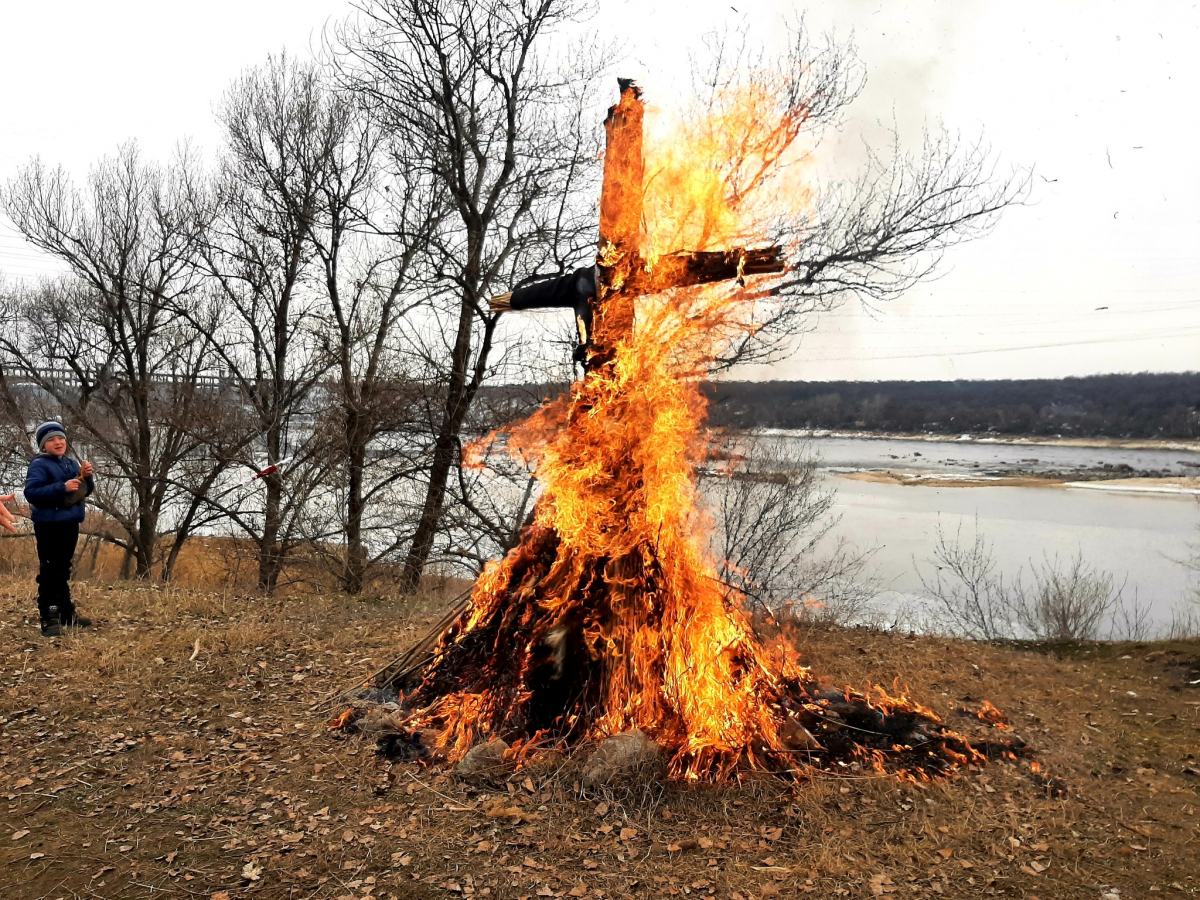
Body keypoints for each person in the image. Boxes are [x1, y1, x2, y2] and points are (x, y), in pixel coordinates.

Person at [24, 421, 95, 637]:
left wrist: (86, 476)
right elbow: (32, 493)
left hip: (70, 523)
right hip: (48, 525)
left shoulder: (70, 463)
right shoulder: (39, 464)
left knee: (63, 569)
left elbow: (84, 491)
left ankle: (65, 614)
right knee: (50, 570)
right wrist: (61, 487)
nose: (58, 442)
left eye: (61, 438)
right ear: (43, 445)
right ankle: (49, 616)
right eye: (52, 440)